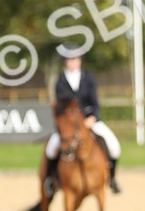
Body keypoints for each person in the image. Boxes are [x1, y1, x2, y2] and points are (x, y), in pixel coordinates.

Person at [44, 50, 122, 195]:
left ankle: (112, 178)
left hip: (90, 121)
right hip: (69, 126)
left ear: (79, 60)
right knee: (51, 148)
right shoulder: (60, 82)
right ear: (65, 62)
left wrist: (92, 117)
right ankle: (50, 179)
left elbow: (95, 102)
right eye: (70, 59)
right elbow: (61, 107)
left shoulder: (89, 78)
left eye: (76, 59)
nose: (73, 62)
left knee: (114, 146)